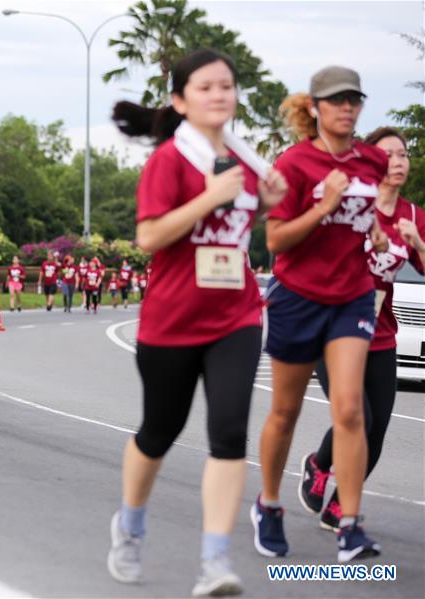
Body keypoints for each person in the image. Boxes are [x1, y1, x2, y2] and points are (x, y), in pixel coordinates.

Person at [107, 49, 288, 596]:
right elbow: (149, 237)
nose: (218, 95)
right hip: (172, 319)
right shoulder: (169, 161)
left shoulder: (248, 162)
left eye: (226, 87)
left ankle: (215, 561)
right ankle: (130, 526)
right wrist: (210, 197)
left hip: (236, 315)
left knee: (229, 432)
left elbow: (262, 209)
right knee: (159, 432)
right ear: (181, 100)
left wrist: (273, 200)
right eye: (205, 87)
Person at [253, 66, 389, 563]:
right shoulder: (294, 164)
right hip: (298, 296)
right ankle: (268, 506)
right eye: (335, 100)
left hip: (351, 296)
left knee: (351, 409)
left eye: (354, 99)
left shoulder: (372, 161)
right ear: (315, 108)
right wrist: (324, 206)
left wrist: (370, 228)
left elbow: (369, 208)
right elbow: (276, 240)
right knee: (285, 412)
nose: (346, 108)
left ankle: (349, 526)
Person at [300, 128, 421, 532]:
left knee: (378, 429)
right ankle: (319, 463)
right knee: (358, 417)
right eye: (389, 154)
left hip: (380, 335)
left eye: (404, 155)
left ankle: (340, 505)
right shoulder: (353, 205)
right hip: (332, 327)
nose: (399, 162)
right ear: (370, 159)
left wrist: (418, 244)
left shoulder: (413, 215)